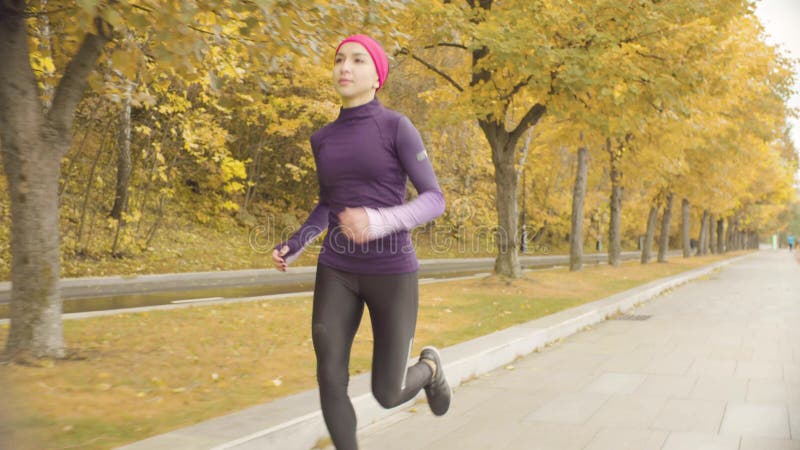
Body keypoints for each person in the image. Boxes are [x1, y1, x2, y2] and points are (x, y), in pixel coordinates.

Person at [271, 34, 450, 449]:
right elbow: (329, 205)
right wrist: (296, 244)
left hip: (391, 272)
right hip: (337, 268)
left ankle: (429, 369)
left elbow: (434, 199)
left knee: (387, 393)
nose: (344, 67)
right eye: (339, 60)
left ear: (377, 78)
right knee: (329, 375)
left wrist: (378, 220)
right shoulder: (323, 139)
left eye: (357, 60)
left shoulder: (397, 127)